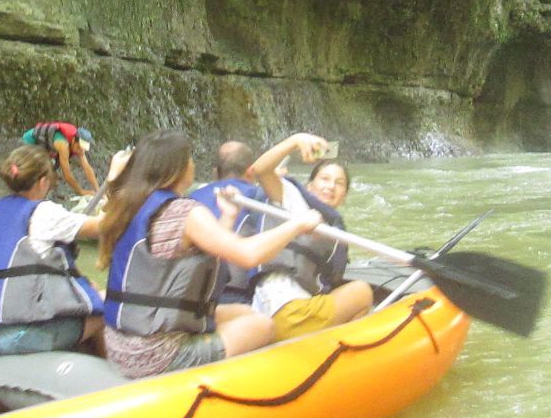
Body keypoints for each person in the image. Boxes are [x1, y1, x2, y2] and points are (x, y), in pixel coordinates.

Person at [97, 129, 321, 379]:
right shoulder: (185, 212)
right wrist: (298, 224)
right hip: (154, 354)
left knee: (243, 312)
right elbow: (248, 254)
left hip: (118, 344)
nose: (193, 164)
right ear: (178, 168)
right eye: (190, 158)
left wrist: (227, 215)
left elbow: (201, 259)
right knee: (262, 325)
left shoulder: (129, 204)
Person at [0, 145, 106, 356]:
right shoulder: (44, 213)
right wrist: (116, 180)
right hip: (25, 335)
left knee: (92, 289)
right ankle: (113, 380)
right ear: (43, 182)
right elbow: (104, 226)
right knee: (111, 306)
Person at [248, 133, 373, 342]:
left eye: (339, 183)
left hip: (278, 315)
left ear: (344, 196)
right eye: (324, 179)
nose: (331, 186)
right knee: (362, 292)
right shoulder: (293, 199)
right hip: (287, 312)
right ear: (309, 186)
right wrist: (295, 141)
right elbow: (260, 169)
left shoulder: (334, 228)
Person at [187, 142, 267, 306]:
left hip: (191, 293)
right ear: (251, 172)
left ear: (215, 173)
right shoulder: (259, 196)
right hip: (237, 294)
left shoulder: (190, 197)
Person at [21, 122, 99, 197]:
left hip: (42, 148)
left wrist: (98, 191)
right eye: (79, 147)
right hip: (28, 142)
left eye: (83, 149)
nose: (81, 151)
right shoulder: (63, 145)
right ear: (73, 140)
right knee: (44, 173)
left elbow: (87, 168)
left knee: (50, 173)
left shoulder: (79, 148)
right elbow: (67, 175)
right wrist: (81, 191)